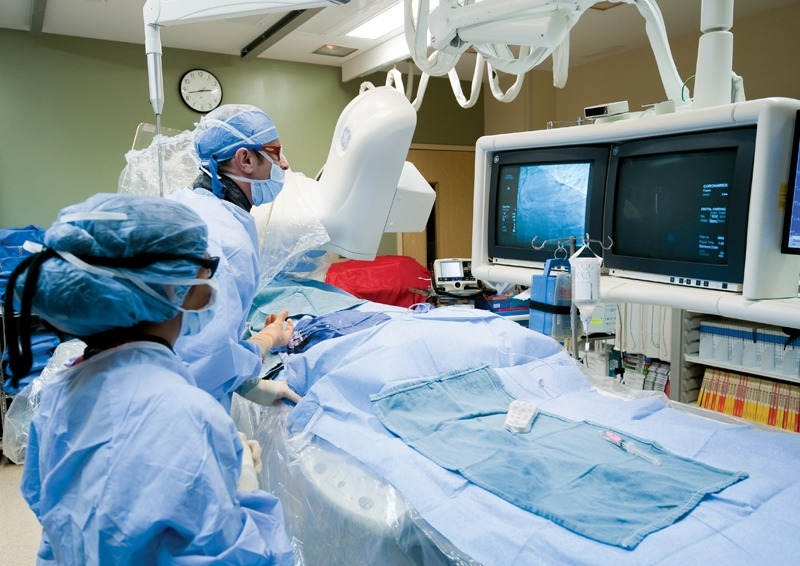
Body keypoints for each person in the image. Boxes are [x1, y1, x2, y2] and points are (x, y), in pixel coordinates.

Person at [4, 193, 294, 564]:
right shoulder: (189, 415)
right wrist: (243, 489)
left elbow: (58, 526)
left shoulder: (58, 395)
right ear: (170, 288)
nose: (211, 283)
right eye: (205, 268)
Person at [169, 104, 299, 411]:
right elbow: (206, 359)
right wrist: (265, 341)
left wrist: (248, 384)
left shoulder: (184, 204)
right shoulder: (228, 239)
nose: (283, 164)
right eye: (275, 151)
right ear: (245, 159)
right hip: (187, 412)